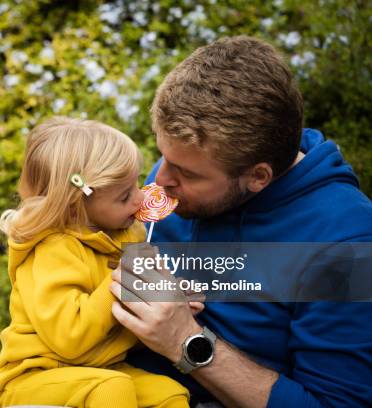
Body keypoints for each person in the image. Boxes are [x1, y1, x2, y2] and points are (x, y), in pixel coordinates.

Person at [110, 36, 372, 408]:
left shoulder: (348, 243)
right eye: (161, 155)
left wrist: (185, 339)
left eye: (186, 172)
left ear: (257, 177)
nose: (160, 179)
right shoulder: (173, 179)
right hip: (108, 375)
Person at [0, 116, 194, 407]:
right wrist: (123, 282)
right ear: (77, 204)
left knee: (170, 393)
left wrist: (168, 299)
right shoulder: (53, 250)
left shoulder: (126, 235)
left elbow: (128, 318)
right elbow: (70, 339)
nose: (140, 198)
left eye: (136, 184)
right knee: (112, 388)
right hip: (36, 376)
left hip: (102, 368)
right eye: (125, 196)